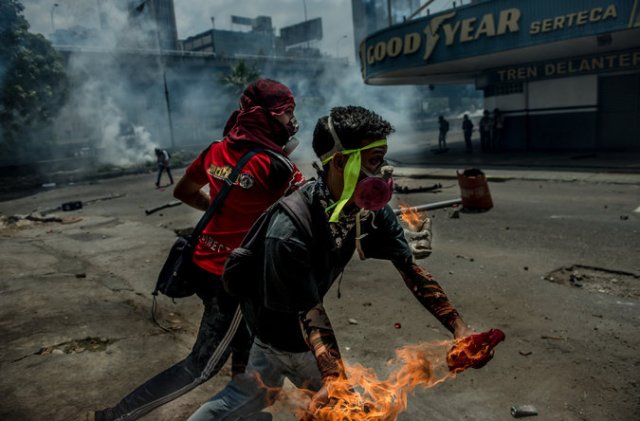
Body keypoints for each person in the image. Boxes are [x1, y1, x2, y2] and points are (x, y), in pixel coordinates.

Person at [188, 106, 486, 421]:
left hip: (276, 340)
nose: (383, 171)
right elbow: (311, 312)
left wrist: (459, 328)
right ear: (341, 161)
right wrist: (334, 380)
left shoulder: (366, 210)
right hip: (287, 342)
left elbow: (411, 270)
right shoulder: (290, 230)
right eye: (374, 160)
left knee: (237, 400)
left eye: (383, 159)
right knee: (347, 414)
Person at [88, 79, 305, 421]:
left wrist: (223, 209)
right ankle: (116, 416)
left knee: (244, 343)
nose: (291, 121)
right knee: (200, 366)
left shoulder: (216, 150)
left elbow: (185, 191)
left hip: (203, 263)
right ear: (265, 117)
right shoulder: (278, 167)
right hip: (233, 279)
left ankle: (243, 413)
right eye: (286, 113)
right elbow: (305, 216)